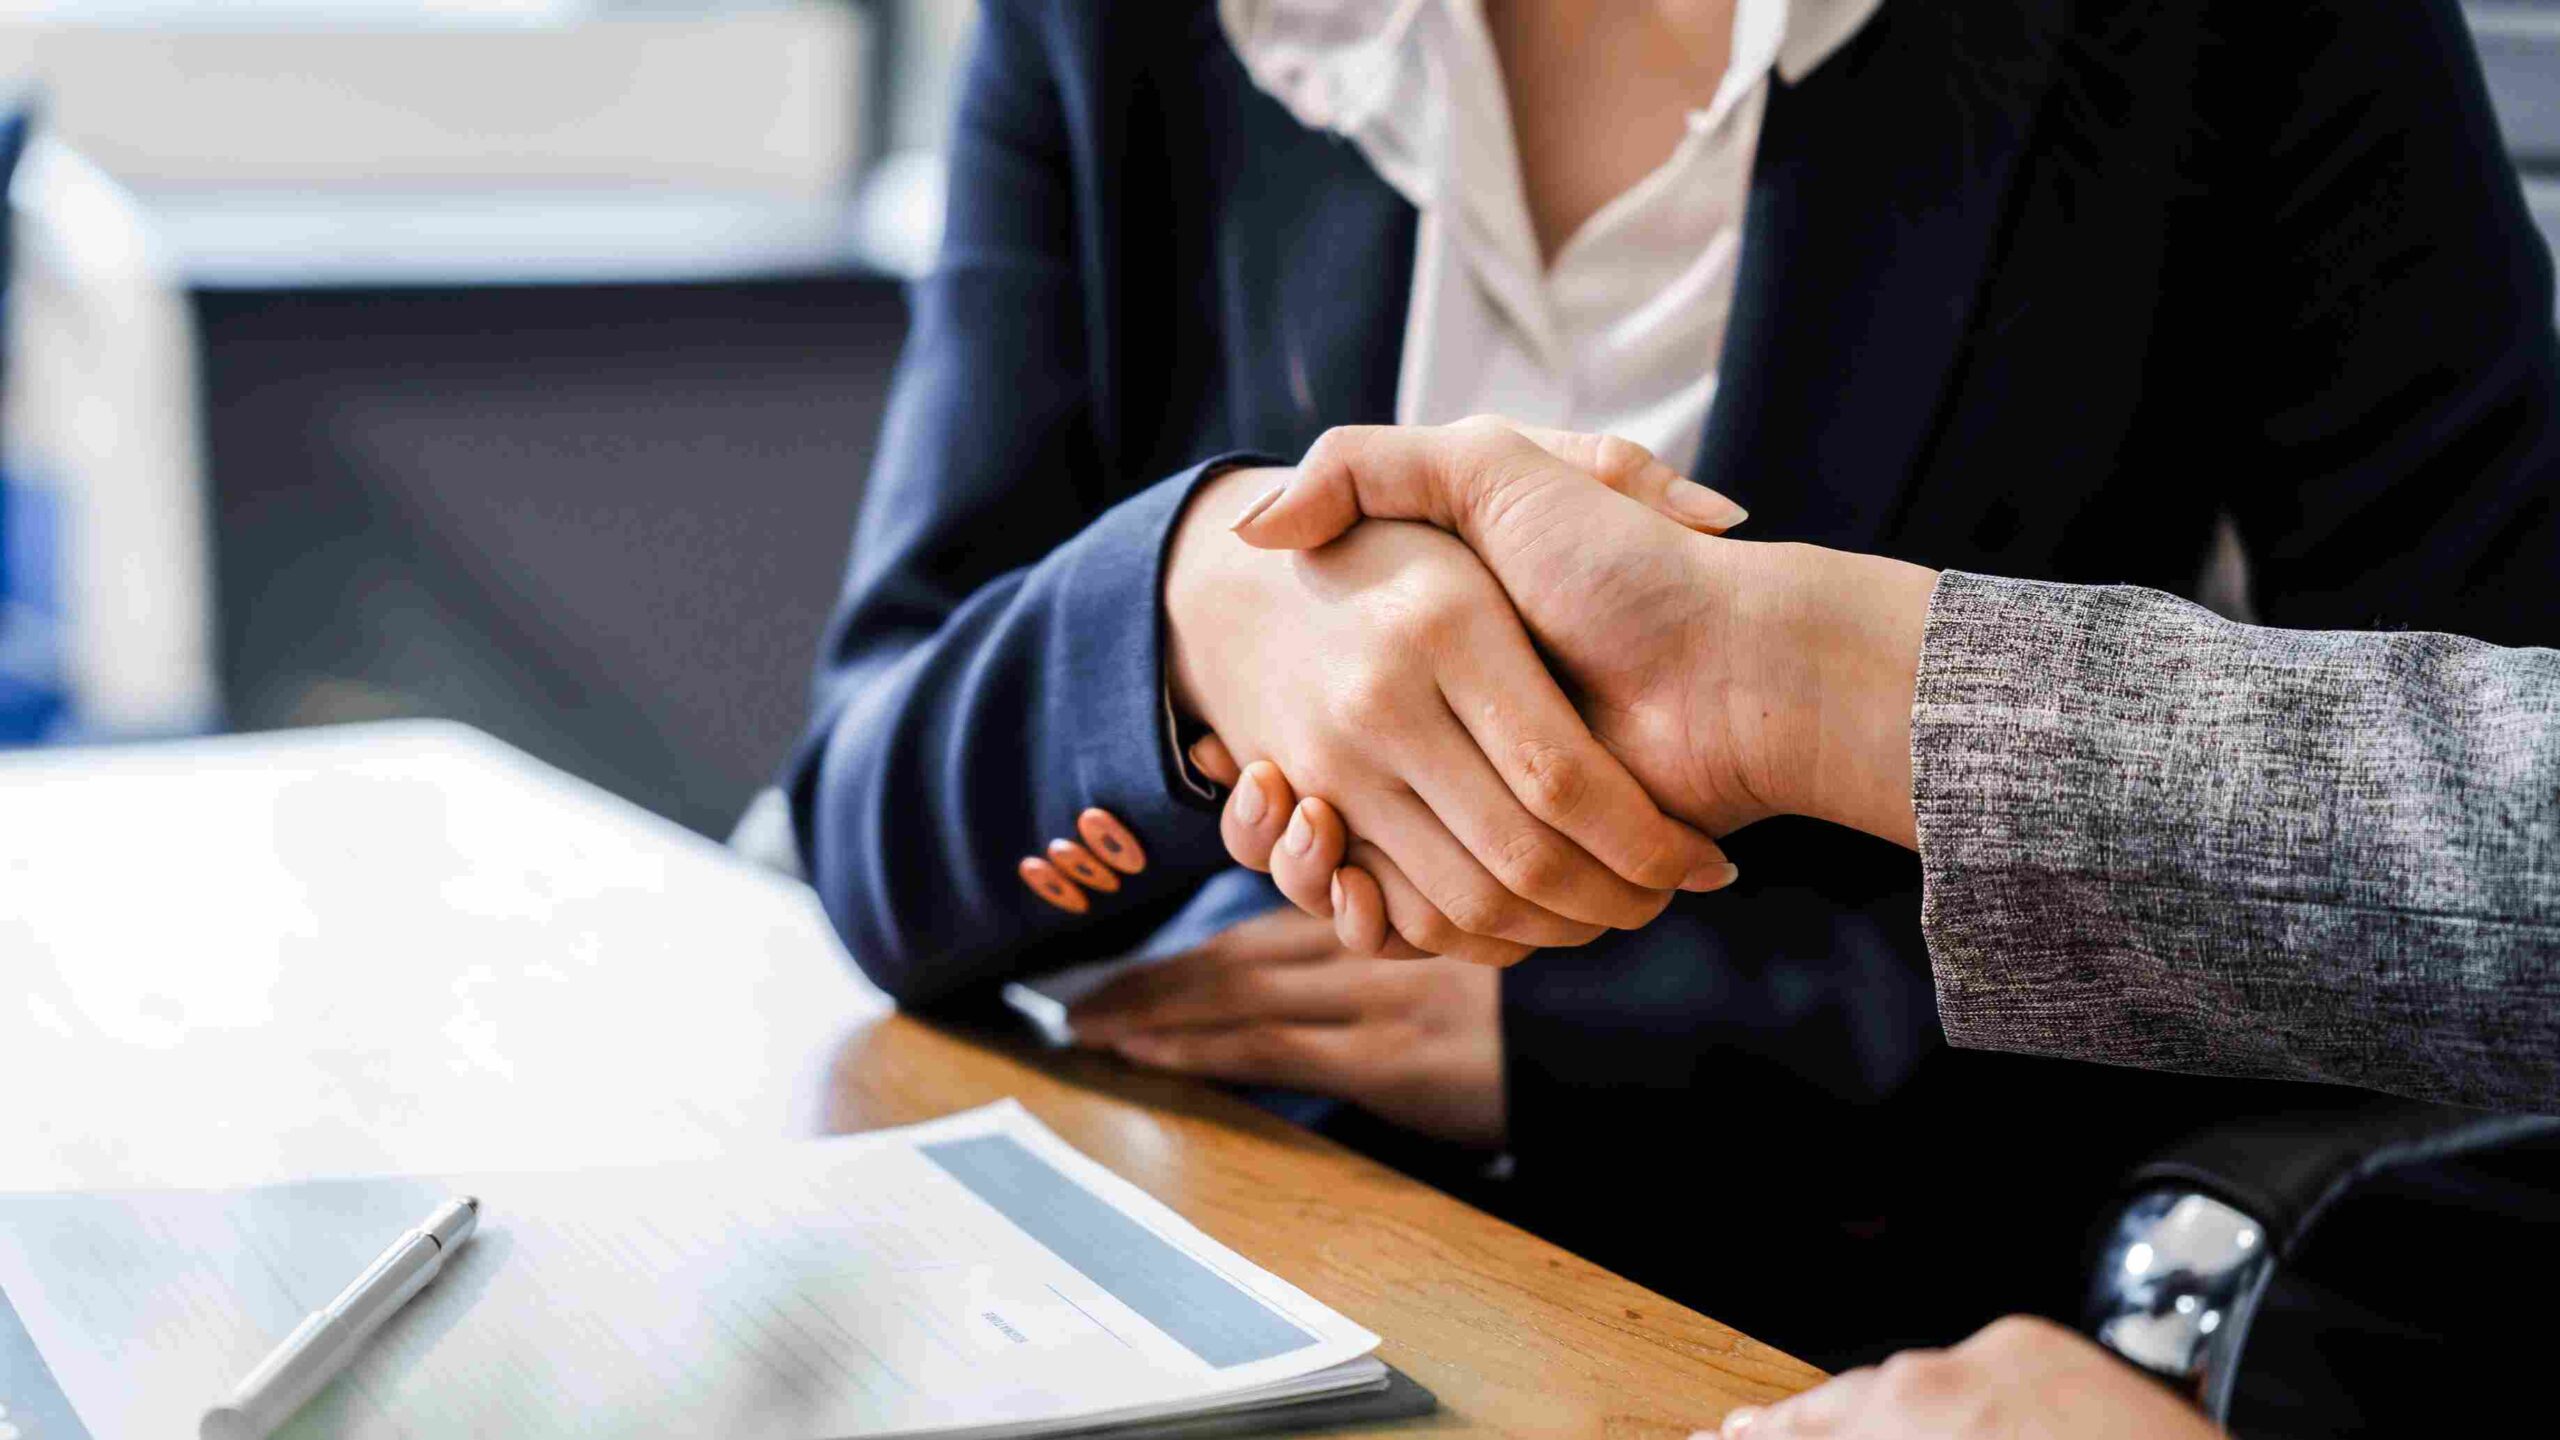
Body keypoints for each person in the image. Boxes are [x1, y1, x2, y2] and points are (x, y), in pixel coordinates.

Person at [788, 0, 2560, 1354]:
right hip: (1224, 1232)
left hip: (1888, 1293)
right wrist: (1188, 601)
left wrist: (1615, 1035)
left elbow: (2473, 883)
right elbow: (867, 809)